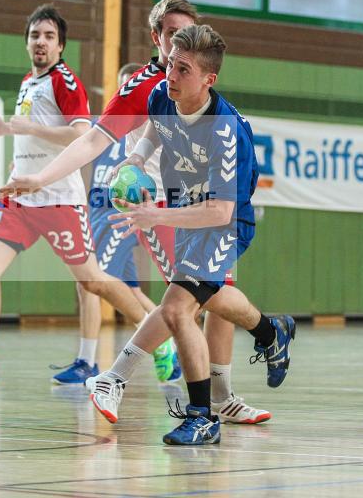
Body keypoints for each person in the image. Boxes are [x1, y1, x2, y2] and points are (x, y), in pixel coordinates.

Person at [1, 0, 274, 424]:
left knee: (209, 300)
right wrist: (40, 178)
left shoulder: (206, 96)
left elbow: (221, 197)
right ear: (156, 37)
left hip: (210, 209)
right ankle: (149, 384)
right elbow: (92, 140)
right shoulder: (149, 87)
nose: (176, 47)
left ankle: (227, 387)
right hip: (159, 206)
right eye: (169, 35)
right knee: (183, 303)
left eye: (185, 37)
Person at [0, 5, 175, 395]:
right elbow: (32, 137)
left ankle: (159, 338)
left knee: (95, 282)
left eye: (49, 37)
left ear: (61, 45)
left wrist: (27, 128)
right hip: (20, 195)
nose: (41, 42)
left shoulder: (65, 82)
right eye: (35, 35)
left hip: (59, 200)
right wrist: (10, 138)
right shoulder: (28, 82)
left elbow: (80, 133)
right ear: (27, 42)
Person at [102, 24, 292, 445]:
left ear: (209, 80)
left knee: (176, 308)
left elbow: (221, 209)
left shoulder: (225, 130)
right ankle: (270, 331)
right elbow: (155, 129)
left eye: (182, 69)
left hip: (224, 222)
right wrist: (134, 159)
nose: (170, 74)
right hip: (187, 208)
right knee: (210, 296)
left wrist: (157, 217)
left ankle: (199, 415)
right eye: (170, 62)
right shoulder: (160, 95)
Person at [56, 63, 181, 385]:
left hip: (124, 213)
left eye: (133, 86)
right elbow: (77, 150)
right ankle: (94, 357)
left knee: (97, 280)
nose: (129, 93)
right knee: (126, 289)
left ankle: (153, 343)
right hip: (99, 211)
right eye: (124, 86)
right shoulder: (106, 127)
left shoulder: (145, 131)